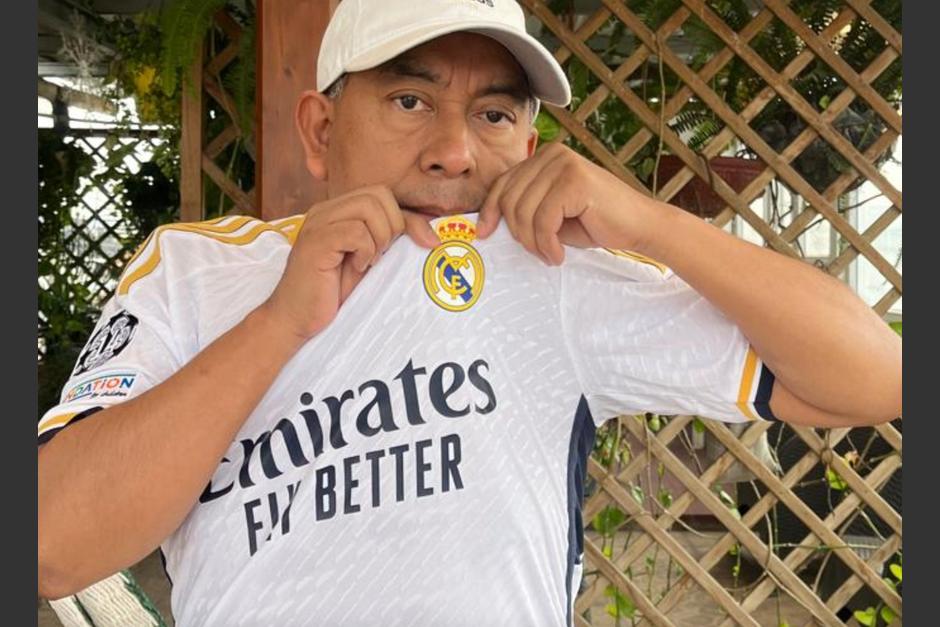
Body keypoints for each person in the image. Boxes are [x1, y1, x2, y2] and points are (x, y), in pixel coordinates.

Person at [38, 0, 902, 625]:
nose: (454, 152)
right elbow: (48, 545)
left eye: (492, 114)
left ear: (527, 145)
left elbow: (877, 376)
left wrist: (650, 221)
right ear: (320, 130)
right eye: (410, 101)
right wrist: (278, 324)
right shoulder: (199, 271)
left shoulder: (552, 273)